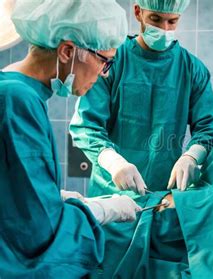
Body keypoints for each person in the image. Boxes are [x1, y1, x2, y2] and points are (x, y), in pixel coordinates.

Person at [0, 0, 141, 276]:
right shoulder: (18, 101)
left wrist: (55, 197)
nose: (104, 75)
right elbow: (38, 232)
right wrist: (100, 210)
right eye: (105, 61)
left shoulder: (18, 92)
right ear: (67, 51)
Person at [69, 0, 213, 197]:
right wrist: (114, 162)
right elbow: (86, 125)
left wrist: (193, 155)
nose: (164, 28)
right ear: (137, 12)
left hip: (164, 197)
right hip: (111, 192)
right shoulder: (112, 60)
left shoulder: (191, 69)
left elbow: (210, 126)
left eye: (172, 21)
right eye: (155, 19)